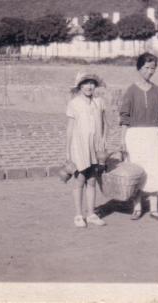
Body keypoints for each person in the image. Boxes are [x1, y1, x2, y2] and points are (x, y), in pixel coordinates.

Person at [120, 52, 158, 222]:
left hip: (153, 135)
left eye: (153, 68)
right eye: (146, 68)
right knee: (137, 171)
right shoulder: (131, 91)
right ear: (139, 68)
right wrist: (122, 140)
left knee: (154, 171)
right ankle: (137, 207)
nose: (150, 71)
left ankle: (154, 209)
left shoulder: (157, 91)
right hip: (135, 136)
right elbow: (125, 117)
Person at [65, 72, 108, 227]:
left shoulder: (99, 102)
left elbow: (105, 124)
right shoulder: (74, 103)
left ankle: (91, 214)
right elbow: (70, 129)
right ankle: (78, 215)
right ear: (80, 86)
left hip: (95, 146)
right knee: (80, 179)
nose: (89, 86)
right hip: (79, 146)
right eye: (85, 83)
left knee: (92, 180)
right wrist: (67, 151)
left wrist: (103, 141)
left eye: (91, 83)